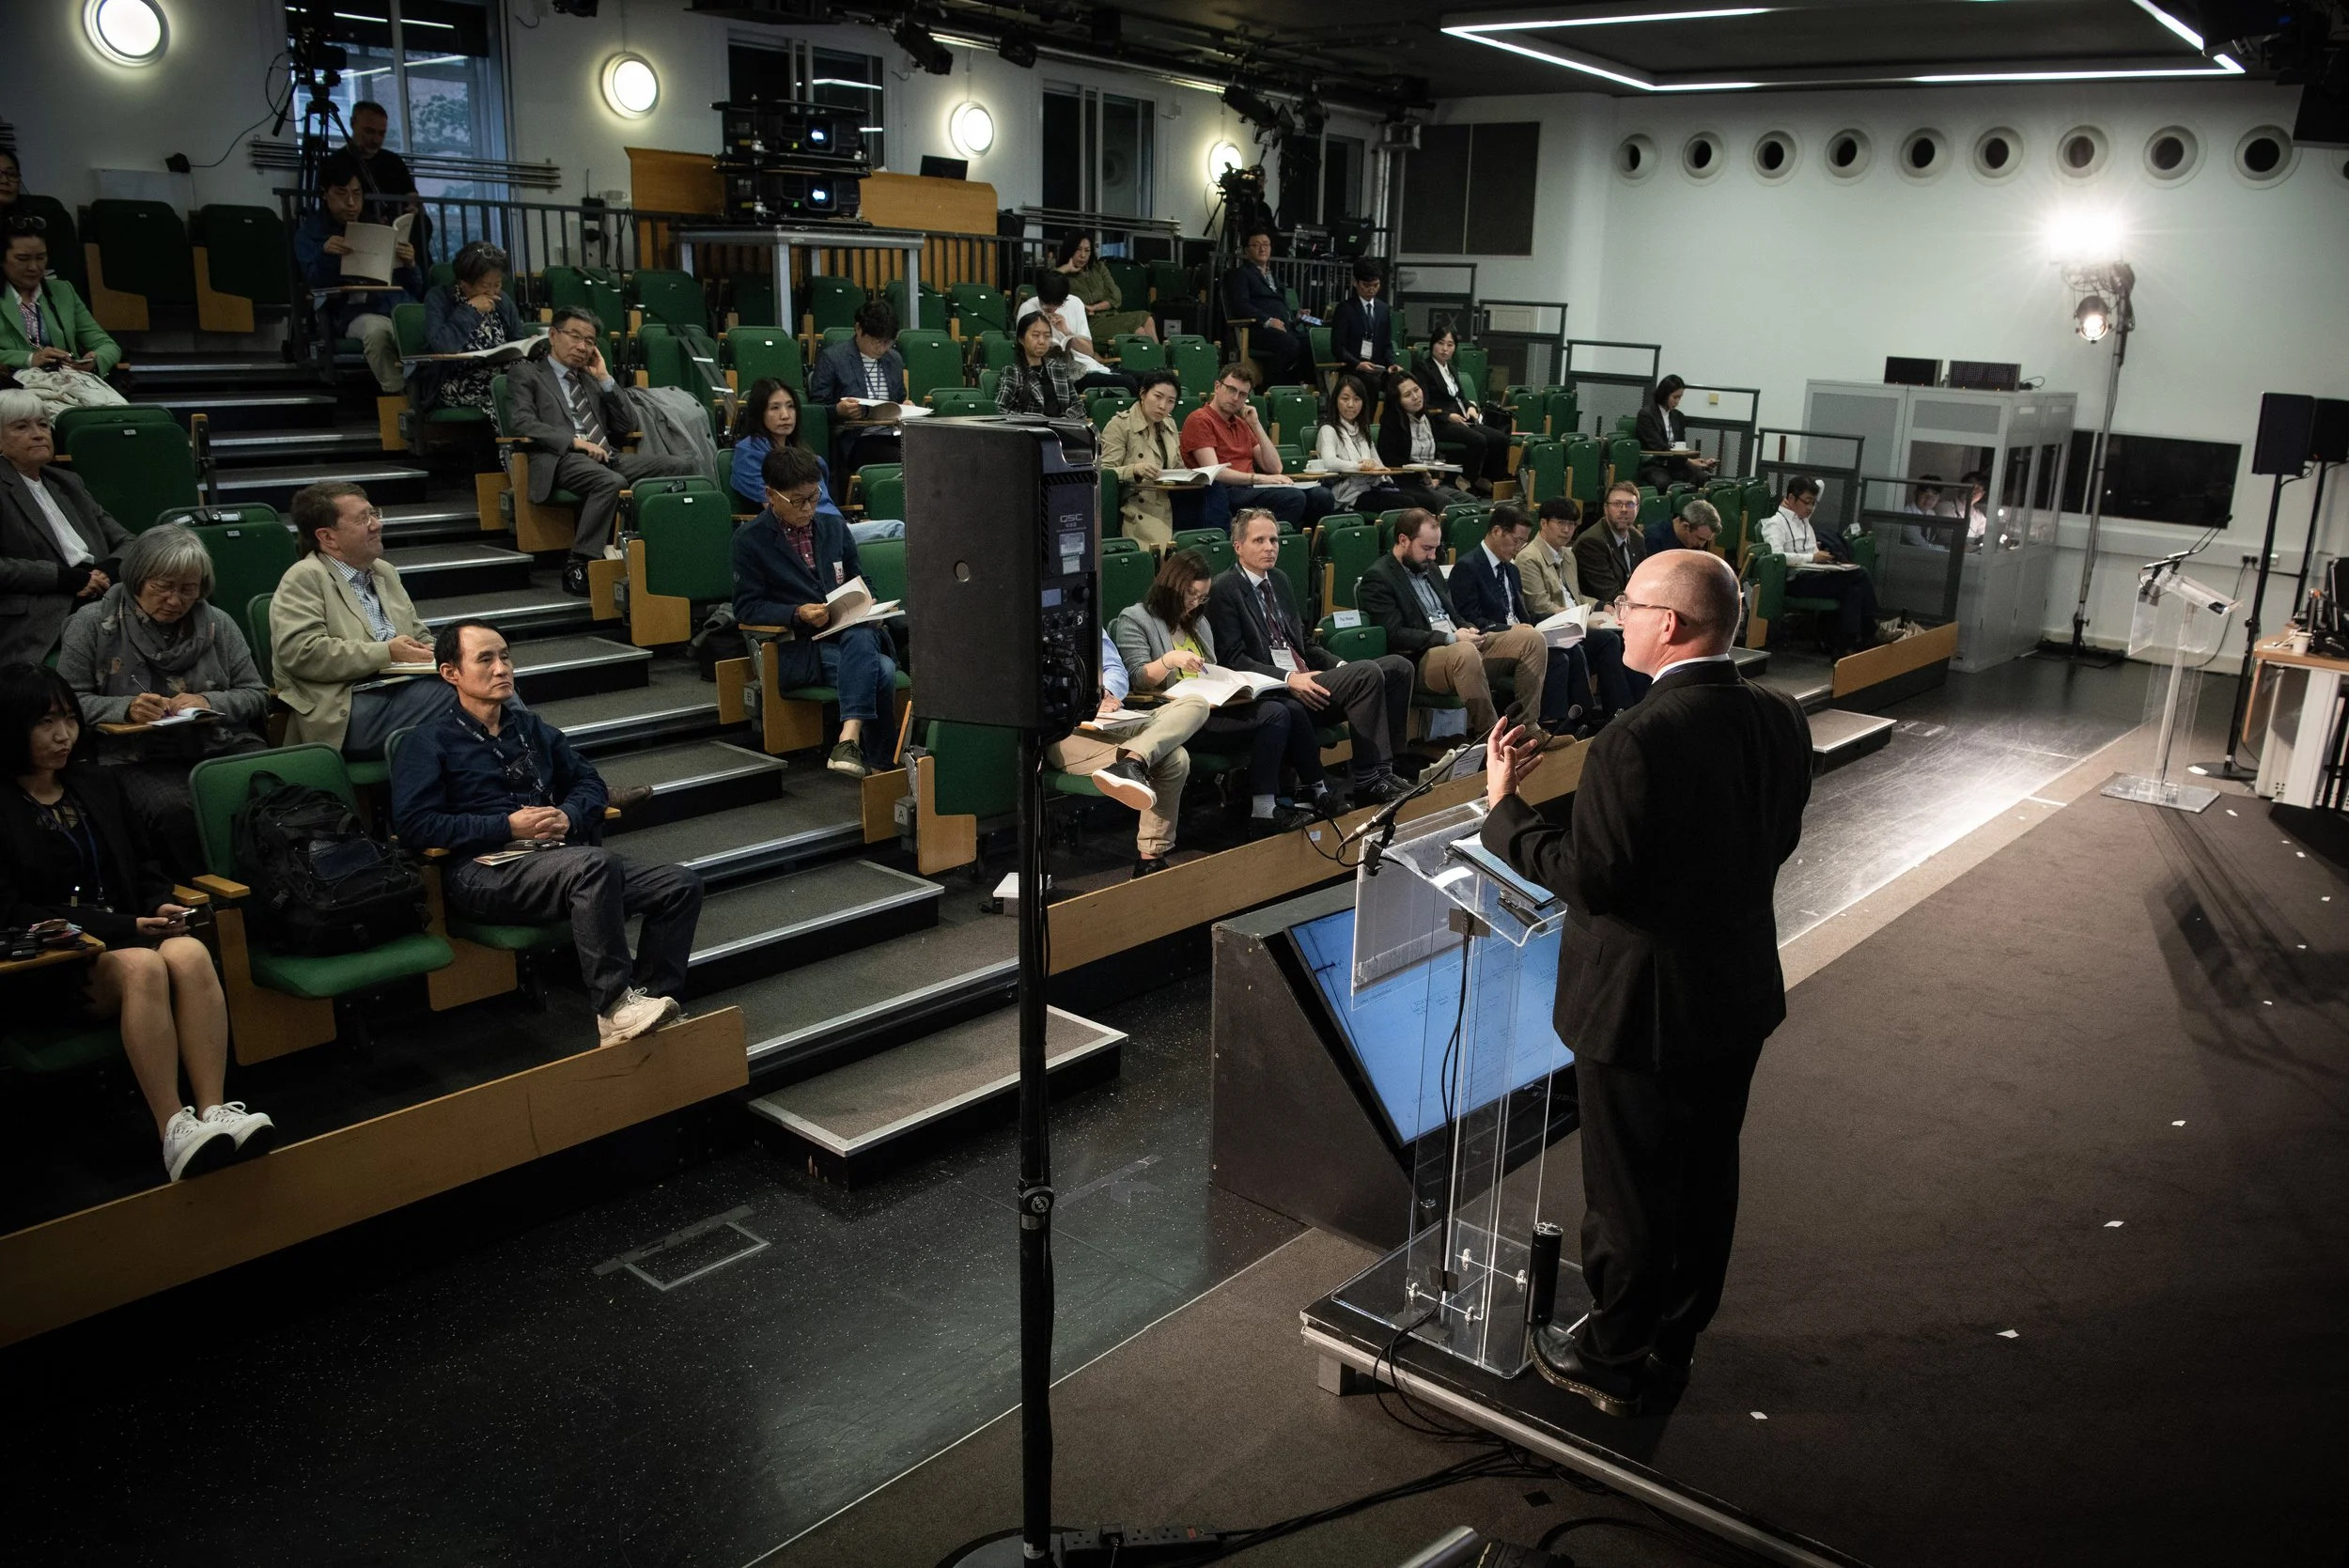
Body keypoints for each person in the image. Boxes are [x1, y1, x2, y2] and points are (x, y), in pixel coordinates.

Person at [1479, 550, 1810, 1418]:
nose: (1616, 615)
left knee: (1627, 1188)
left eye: (1628, 604)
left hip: (1639, 1007)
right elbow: (1775, 840)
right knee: (1705, 1174)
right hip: (1733, 991)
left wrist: (1505, 811)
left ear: (1670, 624)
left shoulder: (1638, 736)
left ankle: (1613, 1352)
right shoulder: (1779, 716)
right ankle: (1673, 1336)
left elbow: (1598, 881)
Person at [0, 663, 274, 1182]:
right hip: (55, 961)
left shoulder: (94, 783)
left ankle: (213, 1111)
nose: (63, 735)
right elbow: (12, 911)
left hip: (130, 932)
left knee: (190, 952)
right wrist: (129, 924)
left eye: (68, 719)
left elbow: (145, 867)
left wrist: (159, 903)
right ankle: (172, 1127)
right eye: (44, 723)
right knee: (142, 968)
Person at [392, 620, 702, 1048]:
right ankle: (614, 1008)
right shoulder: (426, 743)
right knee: (593, 865)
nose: (502, 668)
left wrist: (569, 814)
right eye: (485, 659)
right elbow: (414, 826)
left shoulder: (531, 728)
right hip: (482, 872)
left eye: (505, 657)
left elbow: (589, 783)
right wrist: (505, 825)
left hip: (554, 860)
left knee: (679, 885)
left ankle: (654, 1000)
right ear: (451, 674)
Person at [56, 523, 268, 876]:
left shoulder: (218, 623)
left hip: (219, 745)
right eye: (163, 587)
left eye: (189, 590)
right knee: (177, 810)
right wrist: (124, 708)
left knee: (275, 787)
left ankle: (282, 891)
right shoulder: (92, 623)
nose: (175, 600)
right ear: (138, 577)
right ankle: (210, 898)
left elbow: (256, 694)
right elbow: (65, 703)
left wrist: (207, 700)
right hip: (135, 758)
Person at [1115, 548, 1332, 835]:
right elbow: (1138, 679)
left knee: (1288, 707)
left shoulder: (1199, 623)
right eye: (1190, 594)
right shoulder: (1136, 618)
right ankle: (1264, 809)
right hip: (1173, 718)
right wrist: (1169, 660)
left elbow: (1212, 672)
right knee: (1275, 713)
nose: (1195, 603)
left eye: (1202, 596)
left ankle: (1316, 789)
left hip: (1214, 709)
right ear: (1171, 586)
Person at [1208, 508, 1415, 806]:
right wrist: (1290, 679)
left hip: (1310, 680)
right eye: (1259, 540)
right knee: (1368, 672)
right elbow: (1234, 659)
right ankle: (1369, 780)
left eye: (1274, 540)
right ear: (1238, 546)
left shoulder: (1279, 579)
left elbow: (1303, 642)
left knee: (1399, 667)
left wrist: (1339, 665)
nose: (1269, 547)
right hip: (1278, 691)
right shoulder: (1225, 588)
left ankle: (1388, 769)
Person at [506, 306, 704, 595]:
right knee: (610, 482)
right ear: (552, 335)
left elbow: (627, 423)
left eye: (589, 341)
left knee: (681, 466)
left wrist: (605, 379)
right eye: (574, 336)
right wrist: (574, 442)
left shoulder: (589, 379)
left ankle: (666, 549)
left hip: (607, 455)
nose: (582, 346)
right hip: (562, 457)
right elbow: (522, 422)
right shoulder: (527, 374)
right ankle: (580, 562)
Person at [732, 444, 898, 779]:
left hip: (847, 636)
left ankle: (849, 742)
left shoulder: (833, 528)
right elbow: (747, 607)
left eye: (814, 496)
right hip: (802, 647)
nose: (808, 507)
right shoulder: (749, 540)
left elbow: (859, 579)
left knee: (862, 630)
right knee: (881, 670)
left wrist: (869, 604)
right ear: (771, 495)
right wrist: (797, 613)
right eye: (798, 500)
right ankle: (878, 766)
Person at [271, 480, 443, 756]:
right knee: (469, 696)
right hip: (345, 709)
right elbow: (301, 653)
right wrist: (386, 653)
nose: (376, 524)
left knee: (485, 680)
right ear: (328, 537)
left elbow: (419, 635)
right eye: (363, 518)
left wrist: (439, 654)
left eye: (374, 513)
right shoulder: (304, 577)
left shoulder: (384, 571)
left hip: (402, 690)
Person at [1359, 509, 1545, 737]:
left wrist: (1468, 629)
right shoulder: (1378, 577)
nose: (1433, 556)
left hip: (1459, 646)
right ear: (1403, 540)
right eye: (1426, 548)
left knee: (1531, 639)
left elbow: (1453, 615)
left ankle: (1528, 728)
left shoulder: (1431, 569)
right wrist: (1452, 638)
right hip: (1421, 659)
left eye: (1436, 548)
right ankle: (1494, 738)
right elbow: (1395, 634)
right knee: (1464, 651)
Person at [1047, 626, 1208, 877]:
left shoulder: (1084, 619)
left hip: (1111, 715)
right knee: (1175, 758)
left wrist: (1106, 693)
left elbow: (1114, 669)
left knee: (1197, 703)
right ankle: (1150, 859)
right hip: (1065, 730)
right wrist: (1078, 702)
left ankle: (1133, 760)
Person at [0, 389, 130, 667]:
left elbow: (129, 542)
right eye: (21, 427)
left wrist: (105, 572)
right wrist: (65, 579)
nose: (38, 434)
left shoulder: (68, 483)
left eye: (43, 424)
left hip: (102, 594)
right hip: (41, 610)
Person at [292, 155, 423, 396]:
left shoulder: (377, 228)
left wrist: (410, 264)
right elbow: (315, 284)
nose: (351, 202)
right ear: (325, 194)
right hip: (353, 314)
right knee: (377, 333)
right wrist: (326, 255)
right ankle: (399, 396)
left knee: (424, 328)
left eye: (357, 194)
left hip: (392, 305)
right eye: (342, 194)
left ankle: (429, 396)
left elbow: (415, 288)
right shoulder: (311, 235)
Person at [1523, 497, 1643, 720]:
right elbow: (1540, 605)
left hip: (1575, 622)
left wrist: (1601, 605)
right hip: (1553, 629)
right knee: (1607, 640)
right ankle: (1603, 713)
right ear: (1543, 523)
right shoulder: (1529, 558)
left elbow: (1576, 596)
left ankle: (1623, 709)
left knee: (1618, 637)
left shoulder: (1567, 554)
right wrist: (1580, 619)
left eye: (1572, 525)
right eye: (1561, 523)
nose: (1567, 530)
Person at [1181, 360, 1334, 533]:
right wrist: (1260, 478)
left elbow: (1275, 466)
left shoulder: (1241, 423)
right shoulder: (1200, 419)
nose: (1235, 398)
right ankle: (1263, 544)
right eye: (1231, 390)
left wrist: (1256, 424)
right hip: (1225, 491)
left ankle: (1304, 547)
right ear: (1217, 387)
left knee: (1322, 496)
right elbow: (1215, 472)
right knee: (1293, 498)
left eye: (1242, 394)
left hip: (1249, 488)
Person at [1755, 474, 1888, 655]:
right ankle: (1872, 629)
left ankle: (1845, 646)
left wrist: (1824, 558)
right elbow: (1776, 557)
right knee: (1860, 573)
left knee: (1854, 590)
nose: (1810, 508)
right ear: (1791, 498)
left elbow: (1820, 485)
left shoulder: (1804, 523)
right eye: (1807, 502)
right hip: (1794, 581)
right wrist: (1812, 558)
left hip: (1814, 575)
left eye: (1813, 503)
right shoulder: (1775, 524)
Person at [0, 218, 123, 405]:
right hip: (15, 387)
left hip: (71, 381)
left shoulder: (63, 291)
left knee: (122, 417)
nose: (34, 267)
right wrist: (30, 358)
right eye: (22, 259)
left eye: (41, 258)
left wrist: (95, 360)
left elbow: (108, 345)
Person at [728, 377, 852, 532]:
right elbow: (783, 510)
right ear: (759, 413)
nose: (785, 415)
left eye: (790, 406)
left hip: (836, 527)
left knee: (890, 531)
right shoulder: (749, 453)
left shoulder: (803, 453)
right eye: (775, 408)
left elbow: (825, 503)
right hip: (806, 533)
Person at [415, 240, 523, 414]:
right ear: (464, 283)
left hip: (499, 373)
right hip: (456, 380)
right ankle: (516, 440)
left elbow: (518, 340)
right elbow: (442, 345)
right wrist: (471, 310)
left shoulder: (502, 300)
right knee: (511, 389)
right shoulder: (439, 298)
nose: (492, 292)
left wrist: (529, 346)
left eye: (497, 284)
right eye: (484, 285)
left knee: (536, 377)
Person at [1315, 372, 1446, 516]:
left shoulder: (1363, 430)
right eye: (1345, 399)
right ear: (1335, 401)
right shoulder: (1328, 430)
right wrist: (1361, 466)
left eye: (1357, 399)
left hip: (1371, 487)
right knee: (1408, 504)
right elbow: (1329, 462)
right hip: (1347, 494)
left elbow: (1379, 465)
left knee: (1423, 501)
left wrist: (1376, 467)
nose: (1351, 405)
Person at [808, 298, 908, 483]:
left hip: (893, 436)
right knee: (906, 461)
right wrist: (838, 410)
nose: (882, 348)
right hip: (856, 440)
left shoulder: (894, 360)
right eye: (876, 341)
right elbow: (815, 410)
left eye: (888, 342)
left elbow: (900, 399)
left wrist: (906, 407)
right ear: (859, 329)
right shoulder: (833, 359)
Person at [1411, 318, 1510, 494]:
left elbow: (1460, 396)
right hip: (1440, 421)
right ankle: (1466, 477)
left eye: (1450, 345)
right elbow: (1423, 404)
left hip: (1462, 418)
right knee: (1479, 439)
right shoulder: (1423, 368)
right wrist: (1447, 416)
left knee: (1500, 439)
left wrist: (1470, 406)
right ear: (1432, 344)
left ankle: (1484, 477)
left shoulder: (1451, 368)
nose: (1445, 349)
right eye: (1441, 343)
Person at [1098, 370, 1186, 548]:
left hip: (1168, 499)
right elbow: (1105, 473)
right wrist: (1134, 469)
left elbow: (1177, 465)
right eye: (1158, 397)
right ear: (1143, 394)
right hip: (1137, 504)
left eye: (1170, 401)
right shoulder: (1120, 425)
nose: (1163, 406)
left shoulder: (1169, 423)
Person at [1220, 225, 1314, 386]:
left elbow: (1277, 306)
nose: (1262, 248)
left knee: (1312, 341)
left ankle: (1298, 385)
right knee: (1290, 344)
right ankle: (1271, 386)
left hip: (1284, 329)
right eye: (1256, 245)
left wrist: (1295, 315)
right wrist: (1268, 320)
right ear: (1246, 251)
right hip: (1258, 330)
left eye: (1266, 244)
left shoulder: (1274, 277)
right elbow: (1242, 305)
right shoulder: (1241, 274)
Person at [1017, 272, 1136, 395]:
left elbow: (1089, 351)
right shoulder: (1027, 309)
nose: (1053, 310)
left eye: (1058, 305)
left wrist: (1066, 332)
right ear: (1040, 297)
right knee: (1128, 382)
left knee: (1144, 379)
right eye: (1047, 308)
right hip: (1057, 371)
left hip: (1085, 365)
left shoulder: (1075, 303)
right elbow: (1025, 350)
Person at [343, 100, 428, 259]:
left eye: (381, 134)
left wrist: (412, 207)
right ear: (353, 124)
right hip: (361, 226)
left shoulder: (393, 161)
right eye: (369, 131)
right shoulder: (339, 162)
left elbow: (411, 194)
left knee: (422, 224)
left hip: (397, 224)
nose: (375, 139)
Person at [1376, 374, 1470, 505]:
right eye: (1408, 395)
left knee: (1469, 501)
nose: (1415, 397)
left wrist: (1435, 477)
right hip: (1405, 484)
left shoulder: (1427, 417)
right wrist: (1421, 473)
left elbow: (1434, 453)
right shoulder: (1391, 423)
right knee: (1447, 503)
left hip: (1428, 483)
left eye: (1416, 390)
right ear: (1397, 401)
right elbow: (1389, 461)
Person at [1055, 231, 1156, 343]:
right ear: (1070, 250)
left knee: (1147, 319)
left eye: (1087, 250)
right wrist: (1066, 268)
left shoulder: (1098, 268)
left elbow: (1116, 297)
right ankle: (1157, 357)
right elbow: (1047, 283)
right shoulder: (1062, 276)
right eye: (1078, 249)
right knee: (1139, 332)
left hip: (1111, 316)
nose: (1083, 255)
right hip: (1089, 323)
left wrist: (1094, 308)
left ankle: (1162, 358)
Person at [1634, 374, 1719, 492]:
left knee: (1703, 477)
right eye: (1675, 397)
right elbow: (1658, 447)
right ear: (1664, 394)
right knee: (1663, 482)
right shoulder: (1646, 415)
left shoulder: (1678, 417)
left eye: (1680, 397)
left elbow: (1680, 447)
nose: (1677, 401)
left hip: (1675, 464)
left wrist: (1700, 461)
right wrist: (1689, 462)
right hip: (1654, 464)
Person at [1327, 257, 1403, 384]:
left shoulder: (1383, 309)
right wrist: (1357, 364)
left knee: (1404, 380)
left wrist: (1391, 364)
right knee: (1371, 381)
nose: (1371, 290)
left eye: (1376, 285)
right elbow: (1337, 348)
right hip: (1353, 368)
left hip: (1378, 367)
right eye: (1366, 285)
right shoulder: (1344, 309)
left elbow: (1387, 344)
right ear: (1355, 282)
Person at [995, 308, 1081, 419]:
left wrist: (1065, 420)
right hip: (1029, 432)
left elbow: (1078, 406)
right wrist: (1032, 421)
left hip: (1062, 429)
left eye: (1046, 336)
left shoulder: (1058, 368)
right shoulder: (1013, 372)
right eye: (1035, 335)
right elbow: (1000, 409)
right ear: (1021, 339)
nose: (1042, 341)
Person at [1574, 481, 1648, 609]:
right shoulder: (1591, 542)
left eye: (1630, 504)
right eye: (1617, 504)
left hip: (1629, 608)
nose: (1624, 510)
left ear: (1637, 508)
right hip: (1602, 614)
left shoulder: (1637, 538)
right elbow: (1610, 594)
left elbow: (1644, 580)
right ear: (1605, 508)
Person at [1643, 497, 1720, 558]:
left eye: (1706, 540)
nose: (1701, 545)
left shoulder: (1696, 542)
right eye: (1700, 539)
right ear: (1685, 526)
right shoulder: (1653, 539)